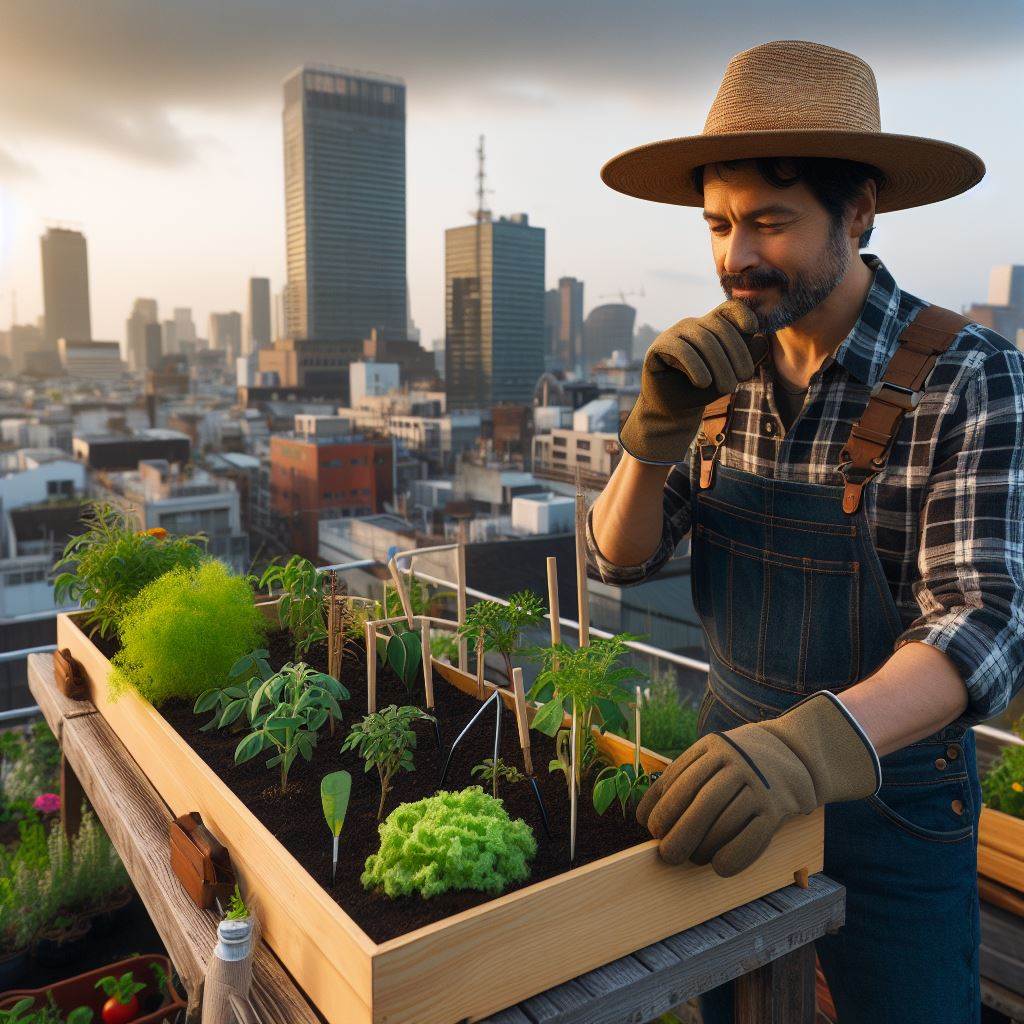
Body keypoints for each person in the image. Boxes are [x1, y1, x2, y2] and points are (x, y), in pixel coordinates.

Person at [587, 39, 1024, 1023]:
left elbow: (984, 623)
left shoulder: (968, 375)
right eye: (718, 223)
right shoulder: (709, 372)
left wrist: (807, 748)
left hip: (890, 802)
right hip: (724, 770)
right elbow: (619, 554)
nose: (735, 256)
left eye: (768, 222)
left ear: (858, 209)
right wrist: (648, 437)